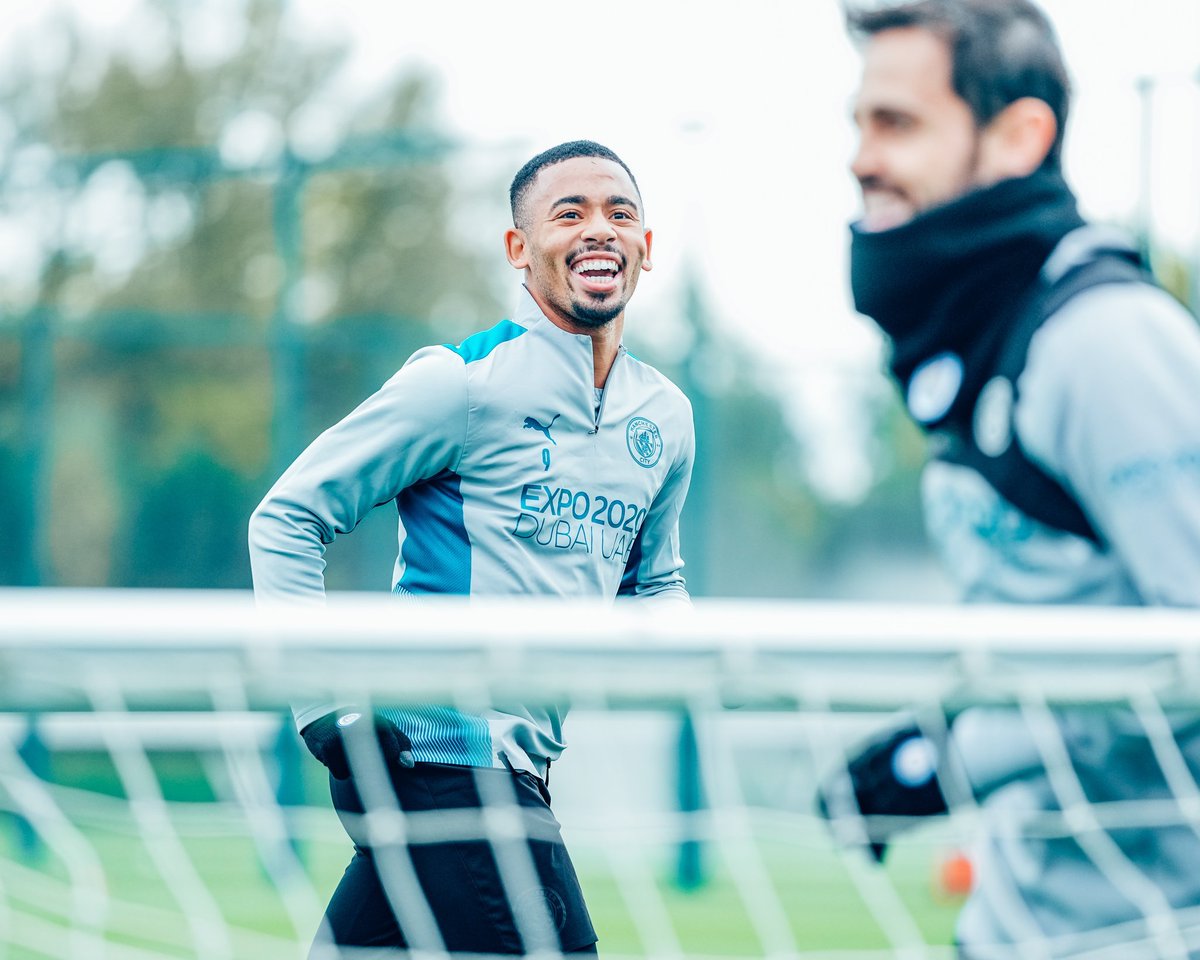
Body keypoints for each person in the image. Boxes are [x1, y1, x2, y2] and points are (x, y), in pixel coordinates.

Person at [248, 140, 694, 957]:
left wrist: (714, 663)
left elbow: (654, 582)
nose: (599, 229)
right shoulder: (459, 383)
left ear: (647, 246)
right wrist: (318, 709)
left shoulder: (665, 419)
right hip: (435, 754)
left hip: (522, 766)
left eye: (619, 213)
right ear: (519, 249)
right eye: (569, 214)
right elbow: (287, 517)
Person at [821, 1, 1200, 958]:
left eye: (897, 123)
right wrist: (938, 746)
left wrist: (954, 757)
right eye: (859, 124)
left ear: (1019, 137)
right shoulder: (991, 340)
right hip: (1020, 929)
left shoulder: (1109, 343)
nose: (862, 158)